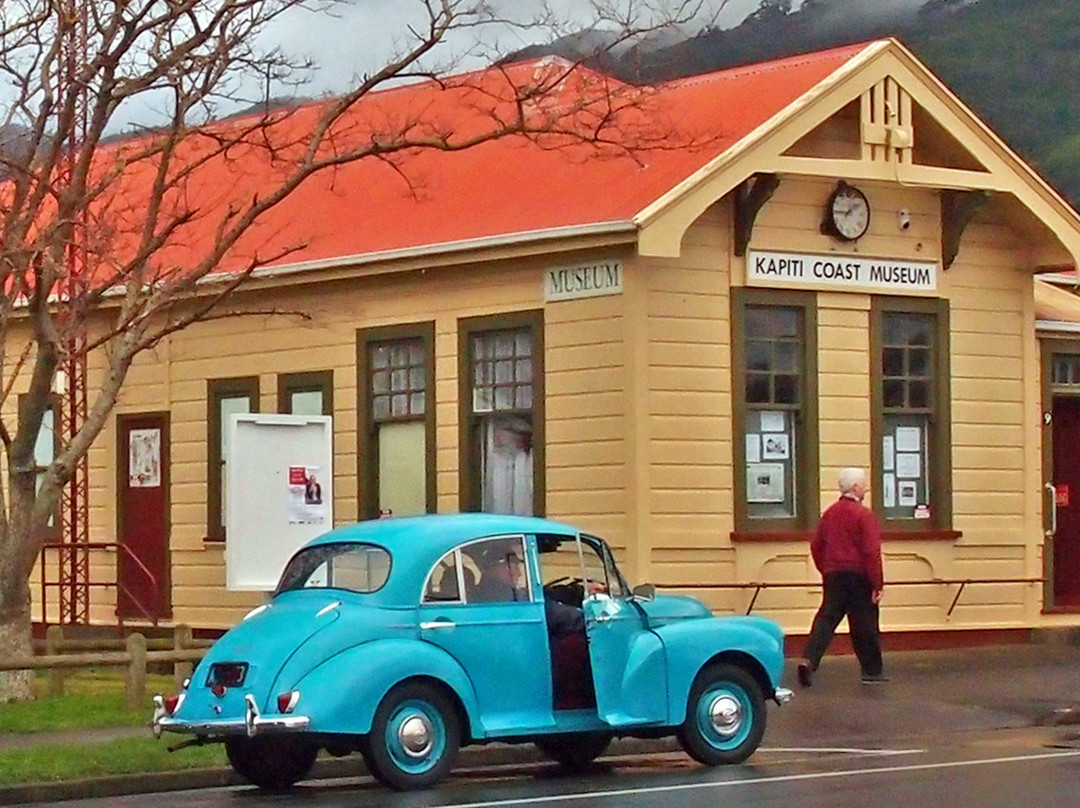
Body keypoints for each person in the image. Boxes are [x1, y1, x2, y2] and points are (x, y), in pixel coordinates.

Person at [797, 467, 888, 687]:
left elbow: (816, 545)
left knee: (826, 620)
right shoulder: (864, 515)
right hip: (858, 576)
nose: (865, 487)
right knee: (864, 624)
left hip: (834, 575)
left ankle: (809, 659)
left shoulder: (830, 513)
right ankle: (872, 671)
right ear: (856, 488)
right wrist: (877, 583)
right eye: (864, 484)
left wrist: (826, 569)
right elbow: (870, 551)